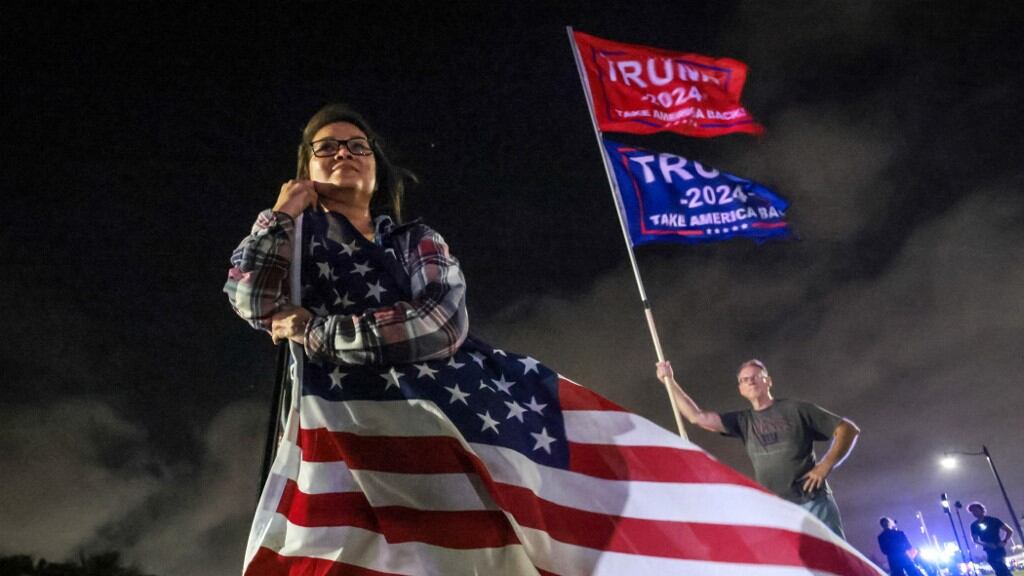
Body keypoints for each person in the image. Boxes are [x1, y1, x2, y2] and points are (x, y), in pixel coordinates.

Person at [656, 359, 859, 538]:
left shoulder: (795, 409)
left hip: (813, 502)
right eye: (744, 380)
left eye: (755, 376)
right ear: (740, 389)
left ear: (768, 381)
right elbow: (697, 417)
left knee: (835, 563)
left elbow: (847, 430)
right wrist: (670, 382)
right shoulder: (743, 420)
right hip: (777, 509)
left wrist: (826, 465)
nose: (750, 381)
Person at [968, 501, 1014, 576]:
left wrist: (1004, 541)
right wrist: (986, 544)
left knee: (1000, 567)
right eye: (973, 511)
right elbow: (975, 540)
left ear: (981, 510)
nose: (974, 513)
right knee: (999, 569)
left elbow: (1009, 530)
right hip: (988, 549)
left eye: (976, 510)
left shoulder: (993, 520)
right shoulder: (974, 525)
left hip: (998, 547)